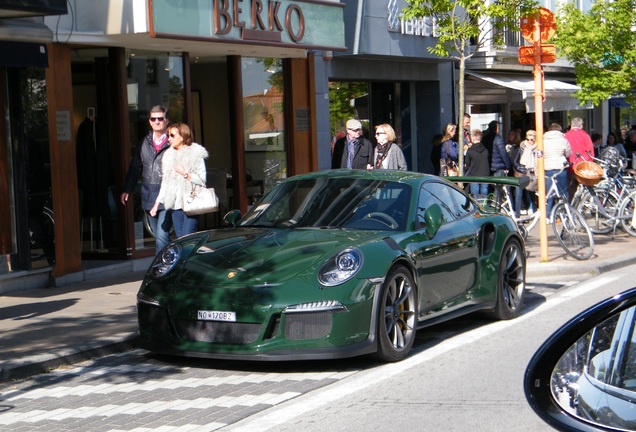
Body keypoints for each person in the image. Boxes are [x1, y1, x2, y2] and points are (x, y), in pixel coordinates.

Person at [121, 105, 172, 255]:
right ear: (149, 121)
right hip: (149, 194)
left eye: (160, 118)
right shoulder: (144, 142)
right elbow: (136, 167)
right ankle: (170, 262)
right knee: (158, 236)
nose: (157, 121)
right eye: (153, 119)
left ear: (166, 121)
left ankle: (161, 270)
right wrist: (127, 189)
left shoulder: (173, 142)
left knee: (162, 236)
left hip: (167, 195)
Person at [150, 123, 208, 239]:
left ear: (182, 136)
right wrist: (156, 204)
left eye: (172, 135)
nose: (169, 139)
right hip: (176, 204)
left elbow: (202, 180)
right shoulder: (168, 155)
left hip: (192, 202)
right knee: (180, 240)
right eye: (168, 135)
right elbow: (165, 183)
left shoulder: (196, 153)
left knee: (186, 237)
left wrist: (185, 174)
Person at [543, 123, 572, 216]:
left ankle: (548, 215)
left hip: (547, 168)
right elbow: (568, 153)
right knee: (563, 192)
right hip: (560, 168)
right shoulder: (563, 140)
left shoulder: (543, 140)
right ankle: (564, 212)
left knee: (549, 193)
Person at [517, 130, 539, 215]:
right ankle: (530, 207)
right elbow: (517, 159)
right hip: (525, 171)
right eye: (527, 139)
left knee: (534, 191)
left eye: (531, 139)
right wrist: (520, 168)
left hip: (535, 171)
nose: (529, 141)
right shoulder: (523, 147)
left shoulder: (538, 148)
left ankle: (534, 207)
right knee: (527, 190)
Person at [464, 129, 490, 199]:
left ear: (472, 138)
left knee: (475, 198)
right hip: (485, 176)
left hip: (474, 175)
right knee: (484, 198)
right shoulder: (486, 150)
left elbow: (467, 165)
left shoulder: (470, 151)